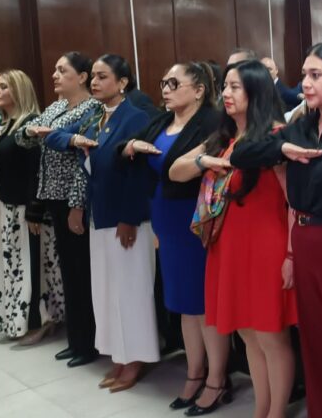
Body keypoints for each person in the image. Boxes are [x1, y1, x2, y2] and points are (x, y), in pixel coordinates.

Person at [230, 44, 322, 418]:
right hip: (307, 238)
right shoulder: (301, 126)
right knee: (315, 340)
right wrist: (282, 148)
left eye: (316, 75)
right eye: (304, 75)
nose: (305, 84)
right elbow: (241, 155)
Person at [170, 60, 296, 417]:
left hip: (266, 246)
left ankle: (276, 413)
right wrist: (205, 161)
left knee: (270, 335)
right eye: (224, 86)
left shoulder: (276, 136)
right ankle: (261, 409)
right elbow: (175, 171)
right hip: (228, 246)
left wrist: (291, 255)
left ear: (256, 91)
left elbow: (294, 202)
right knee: (247, 333)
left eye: (235, 87)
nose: (225, 93)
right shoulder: (223, 139)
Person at [46, 54, 159, 393]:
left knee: (131, 292)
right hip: (100, 216)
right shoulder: (94, 116)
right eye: (93, 76)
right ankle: (119, 357)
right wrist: (74, 140)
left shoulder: (135, 117)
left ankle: (136, 358)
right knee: (107, 292)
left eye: (103, 77)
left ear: (122, 82)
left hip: (127, 219)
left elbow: (140, 175)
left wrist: (129, 218)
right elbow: (52, 136)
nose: (95, 82)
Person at [117, 62, 225, 411]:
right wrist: (132, 144)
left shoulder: (211, 122)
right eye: (164, 82)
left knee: (203, 304)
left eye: (174, 83)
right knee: (183, 305)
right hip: (165, 217)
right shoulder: (161, 121)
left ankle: (217, 380)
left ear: (199, 90)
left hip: (195, 219)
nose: (165, 89)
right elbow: (125, 148)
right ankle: (194, 373)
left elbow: (181, 169)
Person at [15, 53, 100, 363]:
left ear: (82, 77)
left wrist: (77, 204)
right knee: (69, 272)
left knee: (81, 271)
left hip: (74, 199)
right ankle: (76, 340)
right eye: (55, 69)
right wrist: (30, 132)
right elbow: (23, 137)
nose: (55, 75)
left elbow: (84, 163)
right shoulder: (55, 107)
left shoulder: (92, 108)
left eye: (62, 70)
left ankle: (88, 343)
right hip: (51, 196)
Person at [0, 70, 59, 341]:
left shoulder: (30, 124)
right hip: (7, 206)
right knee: (14, 265)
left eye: (3, 86)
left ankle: (38, 320)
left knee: (30, 265)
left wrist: (34, 208)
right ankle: (18, 319)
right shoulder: (6, 124)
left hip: (24, 207)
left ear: (18, 90)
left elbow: (36, 169)